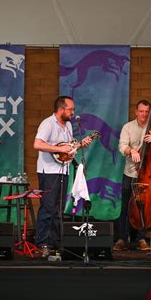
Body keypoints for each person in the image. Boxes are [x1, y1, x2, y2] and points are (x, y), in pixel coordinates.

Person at [33, 96, 91, 256]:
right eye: (70, 109)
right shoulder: (47, 124)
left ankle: (55, 242)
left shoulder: (69, 126)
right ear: (61, 110)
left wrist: (78, 145)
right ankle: (43, 242)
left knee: (59, 208)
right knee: (48, 207)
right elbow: (37, 144)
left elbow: (68, 149)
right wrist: (58, 149)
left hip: (63, 170)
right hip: (49, 171)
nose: (73, 112)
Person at [114, 99, 151, 251]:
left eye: (147, 112)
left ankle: (141, 238)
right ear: (136, 112)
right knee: (126, 207)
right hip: (130, 173)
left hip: (148, 175)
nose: (144, 114)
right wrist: (131, 150)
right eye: (141, 111)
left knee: (145, 208)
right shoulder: (128, 127)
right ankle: (122, 238)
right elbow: (122, 146)